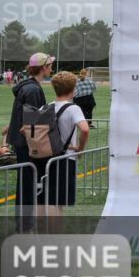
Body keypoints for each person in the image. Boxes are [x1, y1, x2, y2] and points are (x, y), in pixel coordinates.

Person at [7, 52, 54, 229]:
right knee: (28, 184)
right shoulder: (33, 89)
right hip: (27, 145)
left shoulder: (29, 87)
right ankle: (25, 224)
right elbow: (32, 123)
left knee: (26, 183)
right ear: (43, 67)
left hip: (23, 143)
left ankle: (24, 222)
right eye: (49, 65)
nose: (51, 68)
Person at [47, 71, 90, 210]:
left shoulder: (47, 106)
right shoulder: (73, 108)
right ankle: (56, 231)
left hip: (48, 156)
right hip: (66, 157)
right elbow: (84, 129)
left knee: (50, 199)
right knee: (59, 204)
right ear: (72, 90)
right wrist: (80, 148)